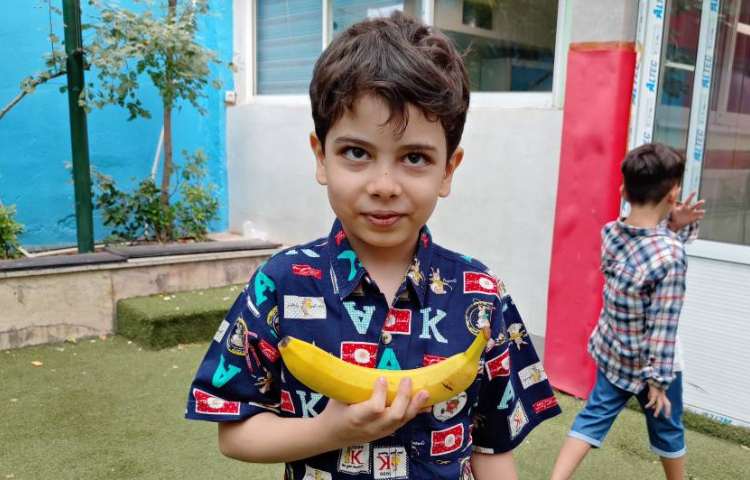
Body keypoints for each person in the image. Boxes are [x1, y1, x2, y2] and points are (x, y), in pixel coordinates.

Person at [186, 12, 560, 480]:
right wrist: (328, 431)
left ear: (448, 170)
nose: (384, 186)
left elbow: (493, 447)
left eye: (415, 157)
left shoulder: (481, 295)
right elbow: (234, 433)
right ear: (321, 157)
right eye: (356, 153)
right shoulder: (280, 284)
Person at [550, 143, 705, 480]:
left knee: (592, 417)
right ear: (673, 194)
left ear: (623, 190)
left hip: (615, 354)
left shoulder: (612, 233)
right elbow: (663, 326)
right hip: (655, 364)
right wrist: (658, 382)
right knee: (668, 430)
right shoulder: (670, 256)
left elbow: (646, 246)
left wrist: (673, 225)